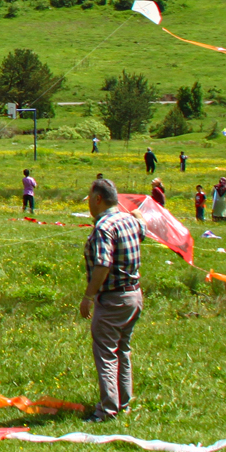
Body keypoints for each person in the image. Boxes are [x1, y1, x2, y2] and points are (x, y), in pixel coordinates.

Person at [79, 176, 143, 422]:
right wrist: (139, 216)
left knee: (106, 353)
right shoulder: (129, 220)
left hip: (113, 299)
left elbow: (102, 265)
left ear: (98, 199)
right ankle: (124, 402)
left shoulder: (104, 227)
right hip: (134, 296)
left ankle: (107, 410)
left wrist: (88, 296)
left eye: (89, 198)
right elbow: (143, 229)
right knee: (122, 350)